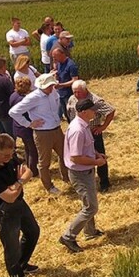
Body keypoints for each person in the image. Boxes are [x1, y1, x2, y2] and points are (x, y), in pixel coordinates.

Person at [0, 134, 39, 277]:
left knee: (33, 232)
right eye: (6, 155)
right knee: (11, 248)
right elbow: (9, 198)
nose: (10, 158)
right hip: (4, 211)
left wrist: (17, 183)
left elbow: (29, 172)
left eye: (11, 154)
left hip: (19, 203)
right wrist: (20, 182)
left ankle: (22, 264)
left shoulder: (10, 158)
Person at [9, 73, 69, 195]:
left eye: (51, 86)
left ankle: (67, 178)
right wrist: (29, 123)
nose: (50, 88)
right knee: (44, 162)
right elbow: (13, 112)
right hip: (43, 133)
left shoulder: (53, 93)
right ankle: (49, 186)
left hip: (56, 129)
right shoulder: (33, 97)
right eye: (48, 86)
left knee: (64, 155)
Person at [59, 98, 106, 253]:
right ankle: (68, 236)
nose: (96, 112)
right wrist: (96, 162)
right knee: (91, 207)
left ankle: (90, 232)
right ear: (84, 112)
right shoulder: (78, 130)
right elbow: (76, 157)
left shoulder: (83, 125)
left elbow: (85, 148)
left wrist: (96, 154)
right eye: (93, 110)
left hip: (86, 171)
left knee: (88, 202)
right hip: (80, 173)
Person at [67, 80, 115, 192]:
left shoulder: (95, 100)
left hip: (93, 132)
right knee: (81, 155)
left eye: (79, 92)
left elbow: (110, 111)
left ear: (85, 90)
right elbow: (69, 113)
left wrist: (103, 127)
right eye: (74, 92)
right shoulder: (71, 99)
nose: (76, 95)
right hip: (78, 131)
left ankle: (104, 182)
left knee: (99, 155)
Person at [10, 77, 39, 177]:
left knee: (27, 147)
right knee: (33, 150)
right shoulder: (25, 99)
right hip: (26, 128)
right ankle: (33, 171)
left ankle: (28, 165)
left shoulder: (13, 95)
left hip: (17, 127)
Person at [53, 48, 79, 121]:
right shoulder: (59, 63)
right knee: (66, 113)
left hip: (69, 94)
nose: (54, 59)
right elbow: (58, 74)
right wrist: (55, 75)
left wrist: (61, 85)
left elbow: (74, 80)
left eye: (55, 56)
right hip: (61, 93)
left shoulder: (71, 65)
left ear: (62, 55)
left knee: (71, 113)